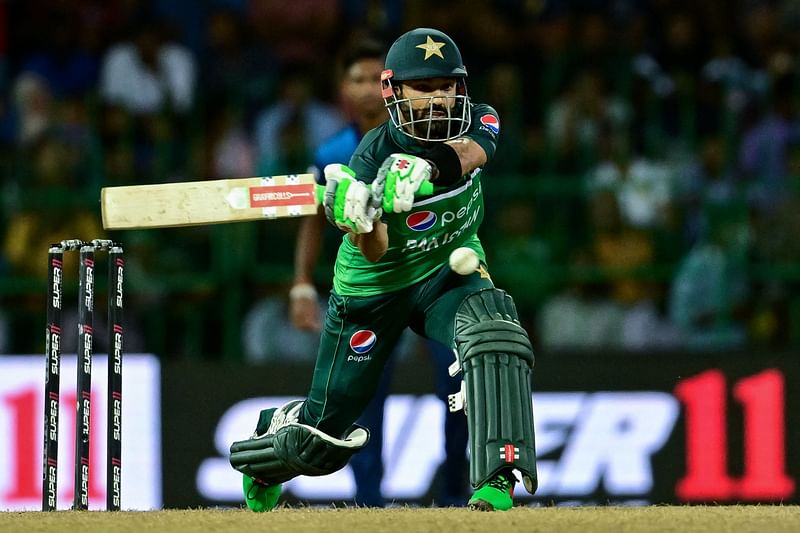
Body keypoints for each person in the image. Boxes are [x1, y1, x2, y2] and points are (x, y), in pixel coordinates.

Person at [229, 27, 538, 512]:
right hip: (373, 288)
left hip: (446, 269)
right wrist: (359, 214)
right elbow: (375, 250)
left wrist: (425, 168)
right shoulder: (368, 157)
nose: (440, 99)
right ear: (393, 92)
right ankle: (270, 452)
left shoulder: (481, 118)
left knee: (495, 332)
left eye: (447, 86)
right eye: (424, 88)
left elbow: (470, 153)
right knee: (324, 435)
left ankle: (497, 478)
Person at [289, 36, 469, 507]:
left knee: (458, 387)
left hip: (436, 275)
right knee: (365, 395)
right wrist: (303, 284)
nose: (367, 89)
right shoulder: (335, 147)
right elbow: (313, 219)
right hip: (376, 281)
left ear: (392, 86)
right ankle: (370, 504)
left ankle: (457, 498)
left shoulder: (436, 134)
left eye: (375, 78)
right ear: (343, 89)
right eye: (357, 79)